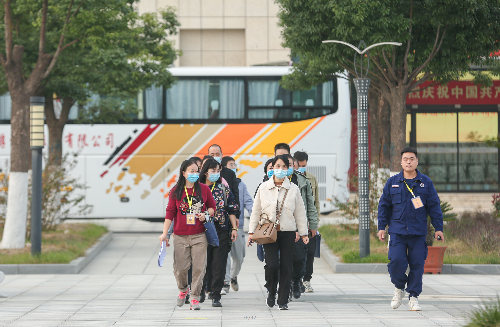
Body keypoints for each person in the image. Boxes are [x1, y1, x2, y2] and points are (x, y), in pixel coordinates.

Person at [377, 147, 444, 311]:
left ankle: (413, 297)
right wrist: (381, 227)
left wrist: (438, 228)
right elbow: (383, 206)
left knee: (417, 265)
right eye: (405, 159)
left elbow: (434, 206)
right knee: (396, 262)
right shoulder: (392, 182)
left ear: (416, 161)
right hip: (397, 232)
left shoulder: (425, 182)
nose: (408, 161)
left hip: (418, 232)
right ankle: (399, 287)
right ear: (401, 162)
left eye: (412, 158)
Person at [248, 155, 309, 310]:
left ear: (288, 169)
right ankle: (271, 291)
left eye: (284, 167)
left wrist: (303, 233)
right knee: (272, 265)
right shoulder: (264, 188)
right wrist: (251, 232)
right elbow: (255, 211)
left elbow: (300, 213)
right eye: (277, 166)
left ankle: (282, 301)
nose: (280, 170)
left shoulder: (293, 189)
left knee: (287, 266)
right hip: (268, 233)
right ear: (272, 168)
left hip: (288, 233)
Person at [159, 158, 217, 311]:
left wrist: (206, 213)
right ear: (184, 173)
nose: (195, 173)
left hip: (199, 235)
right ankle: (183, 289)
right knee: (180, 268)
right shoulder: (176, 191)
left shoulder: (204, 189)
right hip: (180, 236)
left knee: (199, 268)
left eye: (197, 171)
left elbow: (212, 206)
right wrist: (165, 234)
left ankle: (195, 298)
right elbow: (170, 213)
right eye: (191, 171)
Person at [276, 147, 318, 301]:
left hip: (299, 226)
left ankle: (296, 280)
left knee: (300, 258)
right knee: (282, 260)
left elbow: (311, 204)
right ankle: (284, 289)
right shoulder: (273, 181)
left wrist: (312, 224)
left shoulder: (302, 181)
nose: (286, 168)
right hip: (280, 227)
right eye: (283, 165)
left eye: (290, 165)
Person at [199, 158, 239, 307]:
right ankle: (202, 290)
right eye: (212, 171)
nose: (215, 173)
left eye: (218, 171)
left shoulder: (223, 188)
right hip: (201, 230)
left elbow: (231, 209)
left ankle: (216, 295)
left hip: (221, 229)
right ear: (206, 172)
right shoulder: (198, 189)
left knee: (219, 263)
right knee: (203, 262)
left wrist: (234, 228)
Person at [222, 156, 253, 292]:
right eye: (230, 165)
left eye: (234, 165)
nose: (234, 167)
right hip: (223, 226)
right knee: (225, 255)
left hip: (238, 225)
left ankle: (233, 276)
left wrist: (255, 218)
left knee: (240, 256)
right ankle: (226, 281)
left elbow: (249, 202)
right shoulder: (219, 184)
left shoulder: (241, 184)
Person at [293, 151, 320, 293]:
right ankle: (295, 280)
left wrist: (315, 222)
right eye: (299, 166)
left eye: (304, 165)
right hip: (294, 225)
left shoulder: (311, 179)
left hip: (309, 224)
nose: (301, 168)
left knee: (310, 253)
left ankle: (306, 280)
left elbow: (315, 202)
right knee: (297, 254)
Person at [208, 144, 240, 218]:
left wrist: (236, 216)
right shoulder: (204, 174)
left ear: (222, 155)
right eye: (212, 154)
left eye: (217, 154)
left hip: (226, 216)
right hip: (208, 216)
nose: (215, 156)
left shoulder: (230, 173)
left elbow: (235, 195)